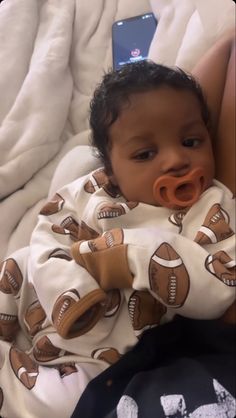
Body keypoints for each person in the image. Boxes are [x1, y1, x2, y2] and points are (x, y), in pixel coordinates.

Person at [0, 32, 235, 418]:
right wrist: (72, 289)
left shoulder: (212, 207)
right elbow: (49, 230)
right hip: (56, 298)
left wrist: (129, 256)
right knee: (19, 262)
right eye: (145, 153)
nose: (176, 161)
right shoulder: (92, 190)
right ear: (110, 168)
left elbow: (220, 287)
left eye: (192, 141)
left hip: (104, 354)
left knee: (56, 401)